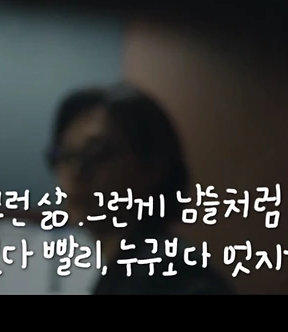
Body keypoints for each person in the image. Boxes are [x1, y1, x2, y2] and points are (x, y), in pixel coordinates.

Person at [45, 83, 233, 294]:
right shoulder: (123, 271)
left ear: (152, 167)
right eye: (66, 156)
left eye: (97, 153)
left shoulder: (176, 278)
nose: (75, 173)